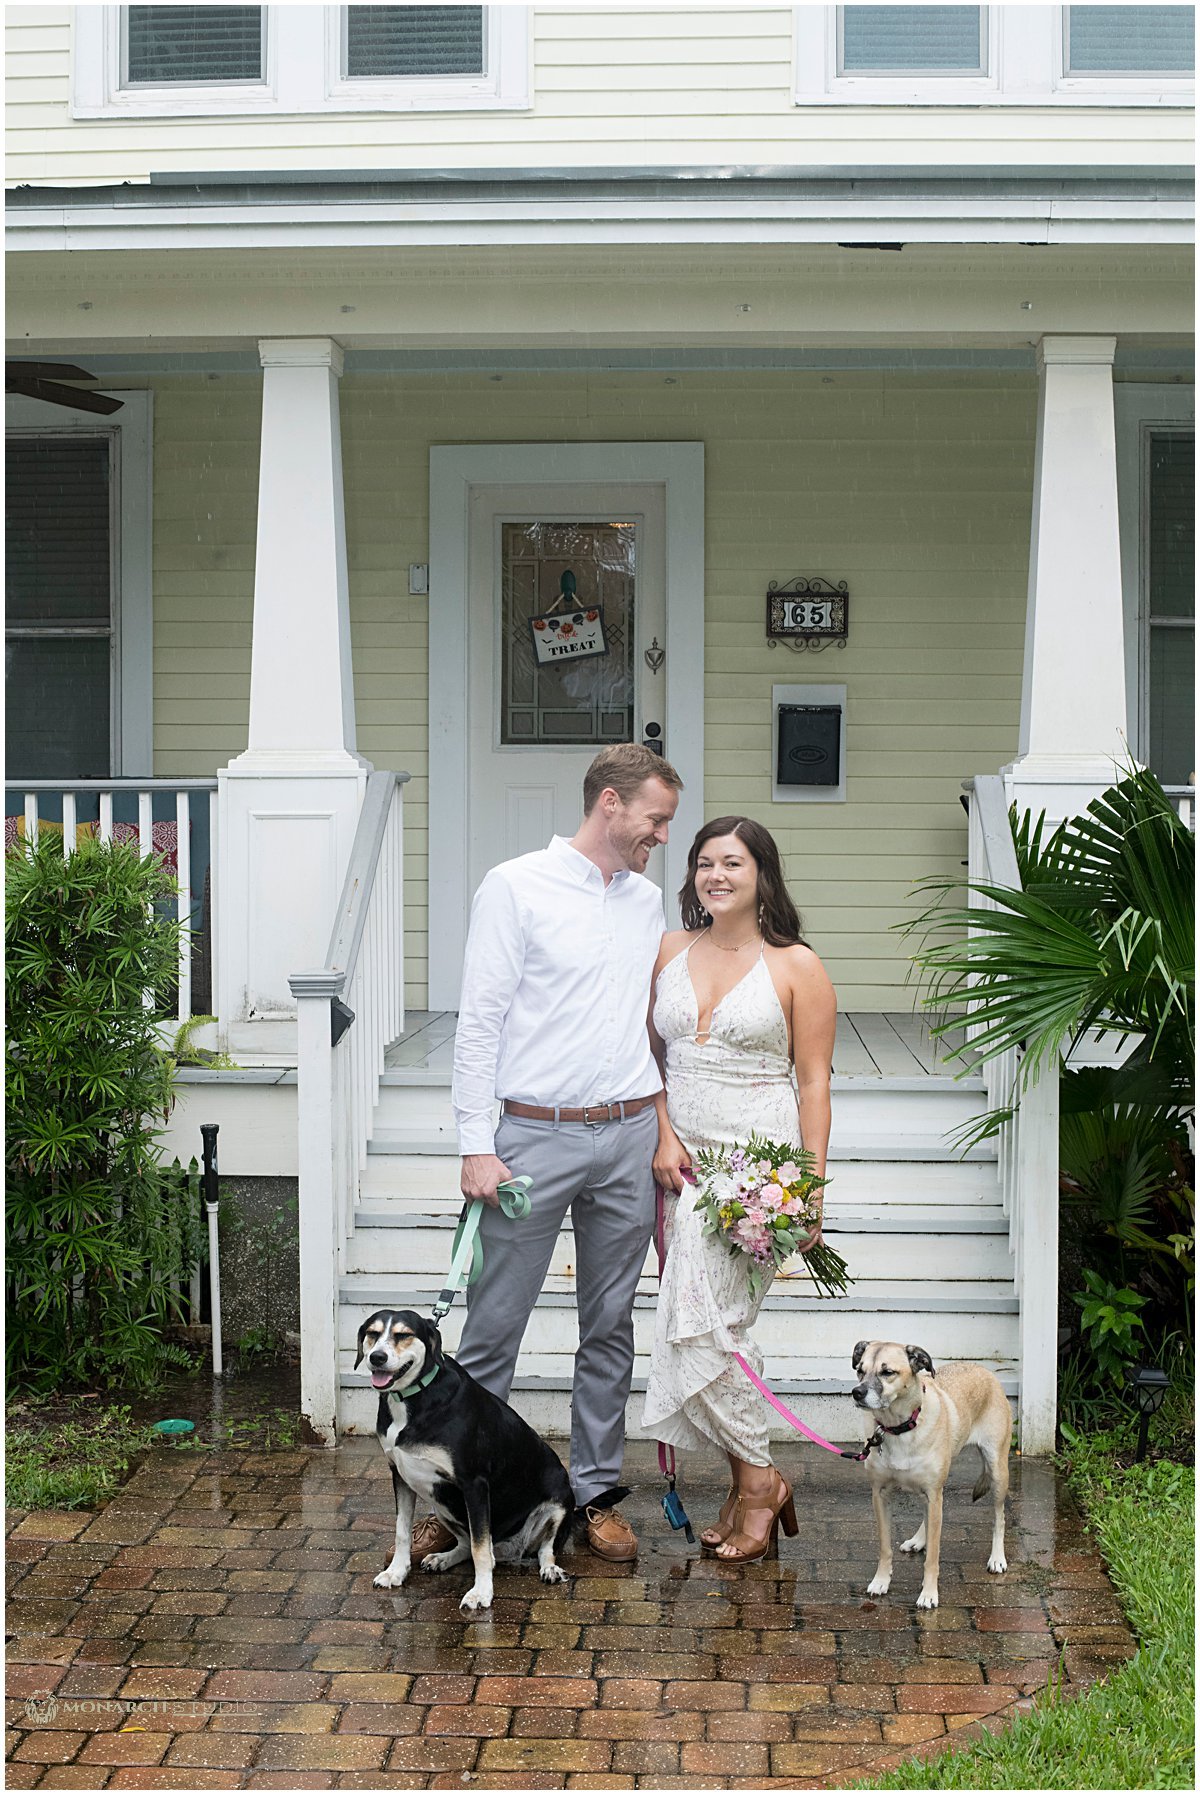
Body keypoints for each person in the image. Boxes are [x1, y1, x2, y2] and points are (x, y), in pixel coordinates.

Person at [428, 742, 684, 1566]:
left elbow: (654, 1024)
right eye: (656, 818)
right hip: (530, 1135)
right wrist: (476, 1143)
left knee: (609, 1325)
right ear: (609, 803)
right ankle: (458, 1493)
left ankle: (596, 1492)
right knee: (494, 1324)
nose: (662, 836)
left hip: (626, 1136)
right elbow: (480, 1022)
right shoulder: (515, 886)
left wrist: (662, 1126)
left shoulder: (647, 904)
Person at [643, 816, 836, 1563]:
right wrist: (663, 1133)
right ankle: (750, 1482)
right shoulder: (668, 949)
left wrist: (809, 1188)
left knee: (710, 1326)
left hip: (758, 1172)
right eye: (702, 863)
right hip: (680, 1165)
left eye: (732, 862)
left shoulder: (796, 965)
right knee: (706, 1324)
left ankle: (760, 1483)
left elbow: (815, 1082)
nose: (715, 874)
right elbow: (644, 1056)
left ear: (762, 874)